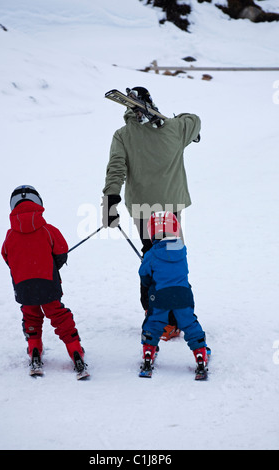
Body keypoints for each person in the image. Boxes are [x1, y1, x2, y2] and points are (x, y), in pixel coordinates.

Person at [102, 86, 201, 340]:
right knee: (173, 258)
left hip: (144, 208)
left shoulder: (123, 135)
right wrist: (170, 118)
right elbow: (194, 120)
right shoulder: (176, 129)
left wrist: (111, 200)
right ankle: (179, 314)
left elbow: (116, 168)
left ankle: (156, 315)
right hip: (171, 206)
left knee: (151, 259)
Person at [1, 185, 87, 377]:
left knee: (31, 314)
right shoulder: (48, 230)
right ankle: (75, 350)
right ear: (38, 203)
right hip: (47, 282)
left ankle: (34, 349)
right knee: (58, 314)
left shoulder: (10, 235)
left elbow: (6, 256)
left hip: (23, 285)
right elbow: (61, 251)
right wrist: (51, 266)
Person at [139, 211, 209, 380]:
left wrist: (148, 273)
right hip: (183, 296)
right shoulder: (182, 250)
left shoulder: (151, 254)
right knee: (189, 323)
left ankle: (149, 352)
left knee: (153, 324)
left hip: (160, 297)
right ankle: (200, 353)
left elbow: (144, 275)